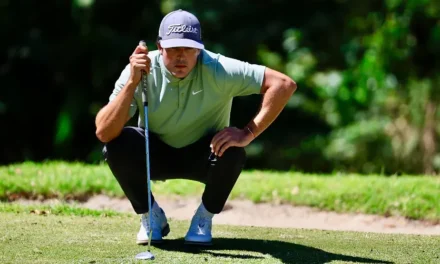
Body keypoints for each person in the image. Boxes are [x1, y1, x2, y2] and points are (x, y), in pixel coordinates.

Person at [95, 9, 297, 246]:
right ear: (160, 47)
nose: (181, 56)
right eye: (173, 49)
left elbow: (284, 84)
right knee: (118, 145)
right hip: (155, 155)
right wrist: (132, 82)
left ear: (199, 48)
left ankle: (204, 218)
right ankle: (151, 216)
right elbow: (103, 132)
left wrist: (247, 133)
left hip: (205, 154)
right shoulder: (140, 69)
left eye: (188, 48)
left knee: (233, 150)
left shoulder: (219, 68)